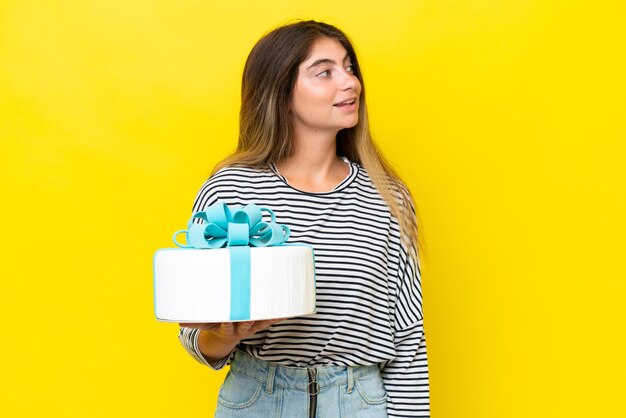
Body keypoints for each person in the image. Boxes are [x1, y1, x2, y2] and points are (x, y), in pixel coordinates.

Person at [178, 19, 430, 417]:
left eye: (349, 68)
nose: (349, 83)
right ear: (281, 93)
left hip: (359, 402)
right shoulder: (231, 190)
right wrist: (224, 336)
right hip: (257, 398)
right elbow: (195, 334)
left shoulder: (388, 197)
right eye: (324, 72)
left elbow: (408, 337)